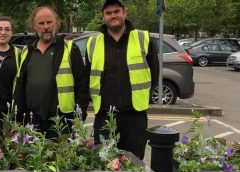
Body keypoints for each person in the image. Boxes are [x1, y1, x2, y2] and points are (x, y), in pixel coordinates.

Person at [85, 0, 159, 159]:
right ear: (103, 17)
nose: (113, 16)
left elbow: (154, 73)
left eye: (116, 11)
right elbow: (87, 76)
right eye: (109, 13)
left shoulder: (143, 38)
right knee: (104, 164)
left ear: (124, 12)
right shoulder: (93, 43)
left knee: (134, 164)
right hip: (104, 115)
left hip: (134, 116)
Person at [13, 6, 89, 139]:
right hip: (31, 119)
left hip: (61, 120)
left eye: (49, 22)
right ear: (34, 27)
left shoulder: (70, 48)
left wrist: (80, 116)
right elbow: (19, 86)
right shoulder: (27, 52)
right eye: (41, 23)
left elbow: (82, 85)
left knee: (60, 159)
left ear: (57, 23)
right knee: (33, 159)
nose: (46, 26)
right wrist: (18, 117)